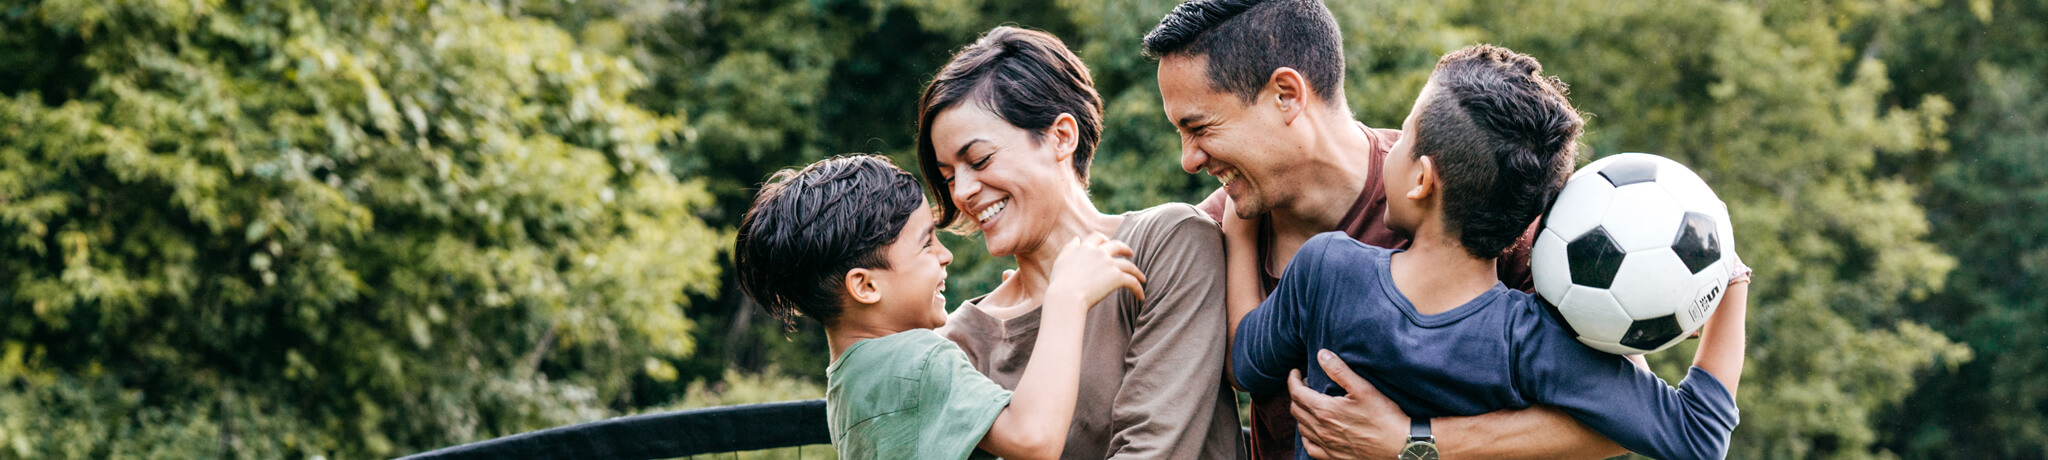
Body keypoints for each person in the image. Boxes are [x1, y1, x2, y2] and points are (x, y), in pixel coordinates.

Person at [1139, 0, 1748, 457]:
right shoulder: (1203, 237)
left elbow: (1602, 425)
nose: (1189, 160)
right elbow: (1687, 430)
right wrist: (1731, 285)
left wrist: (1412, 443)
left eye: (1200, 128)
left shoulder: (1509, 237)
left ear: (1286, 94)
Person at [916, 26, 1246, 459]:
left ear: (1062, 137)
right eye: (947, 177)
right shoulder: (961, 341)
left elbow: (1154, 447)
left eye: (979, 160)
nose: (961, 192)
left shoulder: (1168, 244)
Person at [732, 155, 1147, 459]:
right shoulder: (919, 360)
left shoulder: (852, 379)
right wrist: (1064, 298)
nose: (945, 255)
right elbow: (1033, 439)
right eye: (927, 243)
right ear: (866, 285)